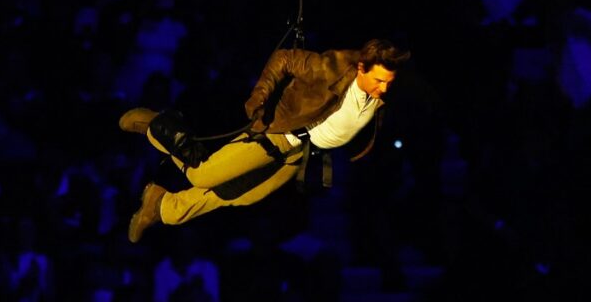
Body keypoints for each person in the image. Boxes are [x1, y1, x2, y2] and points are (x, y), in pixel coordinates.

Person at [119, 38, 410, 242]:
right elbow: (284, 58)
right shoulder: (333, 67)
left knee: (238, 195)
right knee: (202, 175)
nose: (383, 89)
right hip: (278, 136)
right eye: (379, 80)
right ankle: (155, 125)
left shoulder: (383, 94)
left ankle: (163, 207)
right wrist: (260, 96)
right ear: (361, 68)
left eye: (388, 83)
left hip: (298, 153)